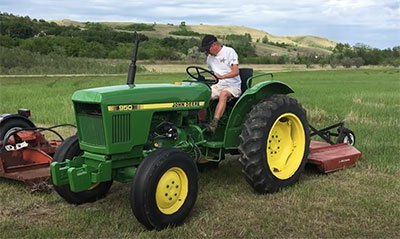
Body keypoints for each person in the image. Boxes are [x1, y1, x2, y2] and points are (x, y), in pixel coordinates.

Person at [199, 34, 241, 133]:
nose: (206, 52)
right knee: (203, 94)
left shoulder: (229, 52)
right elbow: (214, 74)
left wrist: (222, 77)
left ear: (214, 45)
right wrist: (212, 79)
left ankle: (214, 123)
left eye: (207, 49)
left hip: (233, 85)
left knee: (223, 94)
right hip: (219, 85)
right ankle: (201, 122)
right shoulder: (209, 58)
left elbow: (236, 72)